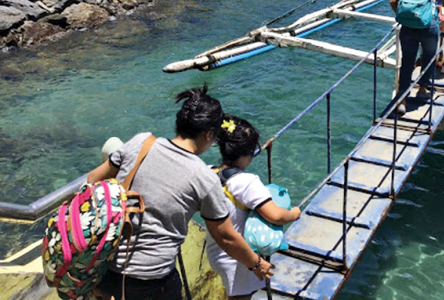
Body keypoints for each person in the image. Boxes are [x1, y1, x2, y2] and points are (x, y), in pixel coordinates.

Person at [88, 85, 273, 300]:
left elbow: (93, 180)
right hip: (153, 280)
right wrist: (257, 264)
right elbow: (225, 236)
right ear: (208, 134)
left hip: (106, 267)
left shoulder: (141, 142)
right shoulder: (203, 177)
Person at [206, 114, 301, 300]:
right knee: (242, 297)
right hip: (238, 257)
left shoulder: (210, 172)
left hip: (216, 250)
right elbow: (274, 215)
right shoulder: (247, 182)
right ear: (247, 154)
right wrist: (294, 214)